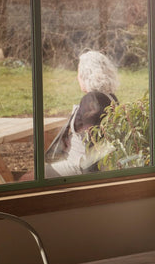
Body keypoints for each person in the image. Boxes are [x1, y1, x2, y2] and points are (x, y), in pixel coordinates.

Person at [44, 50, 119, 178]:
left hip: (79, 166)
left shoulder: (92, 100)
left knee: (29, 178)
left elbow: (94, 146)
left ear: (85, 75)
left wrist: (89, 181)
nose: (77, 77)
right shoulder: (110, 98)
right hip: (90, 163)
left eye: (78, 73)